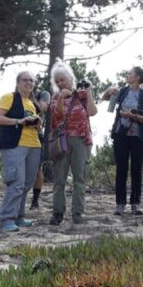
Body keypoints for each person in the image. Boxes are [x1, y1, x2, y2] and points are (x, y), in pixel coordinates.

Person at [47, 61, 97, 225]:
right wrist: (62, 96)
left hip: (81, 140)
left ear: (70, 78)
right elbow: (58, 114)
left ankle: (77, 213)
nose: (61, 83)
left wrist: (88, 92)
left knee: (79, 178)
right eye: (58, 81)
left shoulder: (81, 95)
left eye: (63, 79)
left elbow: (92, 112)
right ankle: (58, 212)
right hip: (63, 140)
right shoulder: (55, 97)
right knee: (59, 179)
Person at [0, 71, 44, 232]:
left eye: (31, 80)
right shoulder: (9, 97)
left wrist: (37, 123)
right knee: (16, 182)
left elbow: (33, 124)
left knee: (27, 183)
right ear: (18, 82)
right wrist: (18, 121)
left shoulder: (31, 103)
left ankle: (19, 216)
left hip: (34, 145)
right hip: (14, 145)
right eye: (25, 80)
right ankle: (6, 219)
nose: (28, 83)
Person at [103, 67, 143, 215]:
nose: (127, 75)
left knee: (136, 170)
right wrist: (108, 91)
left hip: (139, 137)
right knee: (121, 169)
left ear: (137, 77)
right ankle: (120, 204)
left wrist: (132, 116)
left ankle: (135, 203)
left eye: (130, 74)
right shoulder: (122, 91)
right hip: (121, 135)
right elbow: (105, 99)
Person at [30, 88, 52, 210]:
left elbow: (41, 108)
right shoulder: (17, 94)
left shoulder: (44, 94)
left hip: (36, 134)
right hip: (18, 134)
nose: (28, 83)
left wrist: (31, 96)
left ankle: (35, 201)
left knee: (38, 168)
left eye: (31, 80)